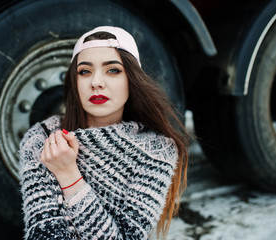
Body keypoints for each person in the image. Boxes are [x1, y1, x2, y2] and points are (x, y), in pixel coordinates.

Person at [19, 26, 189, 239]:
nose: (96, 82)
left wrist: (69, 176)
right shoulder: (43, 139)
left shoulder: (157, 150)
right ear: (75, 82)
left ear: (132, 80)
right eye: (85, 71)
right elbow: (44, 232)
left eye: (113, 70)